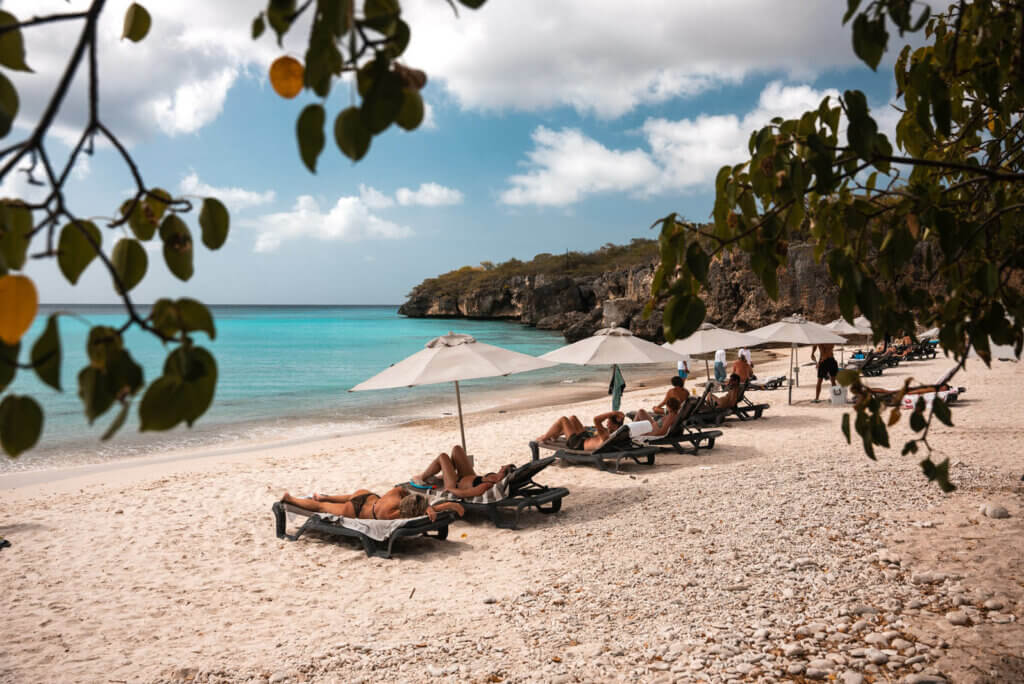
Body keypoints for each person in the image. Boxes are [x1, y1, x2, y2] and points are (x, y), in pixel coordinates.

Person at [281, 487, 464, 522]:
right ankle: (290, 500)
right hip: (358, 511)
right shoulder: (394, 513)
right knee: (322, 509)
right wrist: (446, 506)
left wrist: (427, 505)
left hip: (366, 495)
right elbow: (420, 514)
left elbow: (403, 490)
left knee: (350, 496)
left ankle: (321, 496)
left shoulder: (395, 495)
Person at [408, 444, 513, 497]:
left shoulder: (487, 485)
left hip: (455, 484)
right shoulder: (494, 477)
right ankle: (444, 474)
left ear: (505, 473)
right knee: (457, 449)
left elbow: (464, 493)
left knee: (443, 456)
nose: (501, 466)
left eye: (504, 467)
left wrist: (450, 489)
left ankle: (422, 478)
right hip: (468, 476)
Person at [536, 411, 625, 450]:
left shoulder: (606, 435)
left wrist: (613, 413)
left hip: (577, 444)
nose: (606, 424)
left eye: (608, 422)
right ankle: (555, 435)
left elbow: (596, 419)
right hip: (584, 438)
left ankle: (544, 438)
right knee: (573, 418)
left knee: (563, 419)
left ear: (615, 426)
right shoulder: (612, 433)